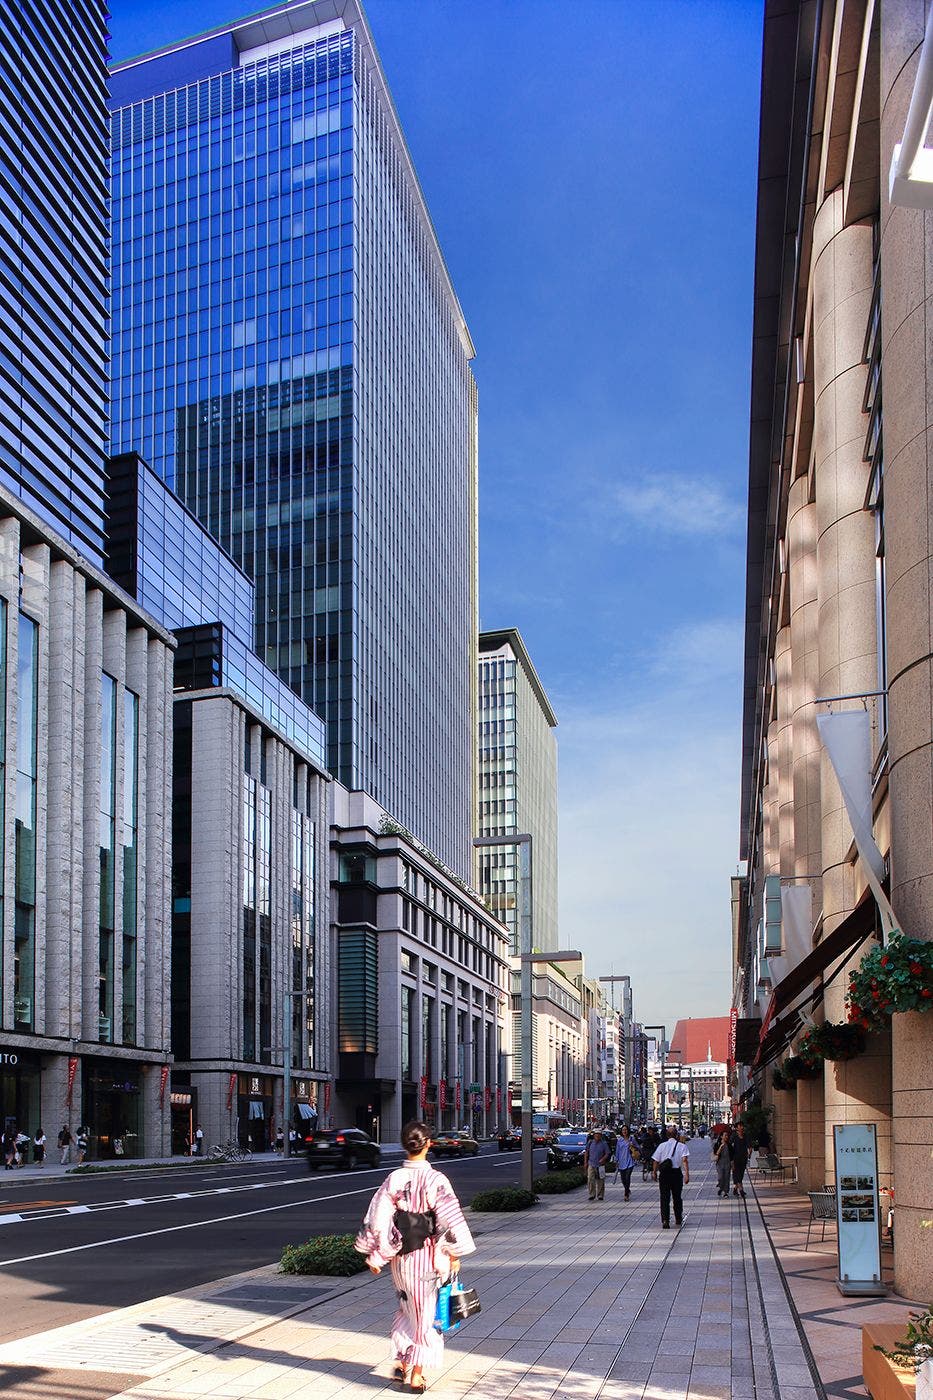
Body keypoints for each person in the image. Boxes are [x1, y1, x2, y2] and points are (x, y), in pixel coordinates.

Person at [356, 1120, 475, 1394]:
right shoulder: (436, 1180)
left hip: (400, 1257)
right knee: (425, 1316)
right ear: (428, 1144)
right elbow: (448, 1220)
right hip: (426, 1255)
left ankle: (401, 1359)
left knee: (406, 1309)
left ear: (404, 1144)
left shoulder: (395, 1179)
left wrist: (377, 1253)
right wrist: (453, 1251)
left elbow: (379, 1216)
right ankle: (416, 1374)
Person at [652, 1123, 690, 1229]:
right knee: (677, 1197)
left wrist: (654, 1172)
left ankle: (665, 1220)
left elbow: (655, 1160)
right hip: (676, 1174)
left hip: (664, 1174)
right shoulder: (682, 1146)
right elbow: (685, 1161)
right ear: (676, 1135)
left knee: (664, 1197)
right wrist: (687, 1174)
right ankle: (678, 1218)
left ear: (667, 1135)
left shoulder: (661, 1146)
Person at [585, 1128, 610, 1201]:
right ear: (594, 1135)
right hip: (591, 1163)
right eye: (596, 1134)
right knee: (590, 1179)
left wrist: (603, 1159)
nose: (597, 1136)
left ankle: (600, 1195)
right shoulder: (590, 1142)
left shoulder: (604, 1143)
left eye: (599, 1135)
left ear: (601, 1135)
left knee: (600, 1180)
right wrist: (585, 1162)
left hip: (600, 1165)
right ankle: (592, 1194)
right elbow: (586, 1152)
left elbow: (607, 1153)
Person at [614, 1125, 638, 1200]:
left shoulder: (632, 1139)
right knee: (623, 1179)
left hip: (630, 1161)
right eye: (623, 1130)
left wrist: (633, 1146)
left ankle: (626, 1194)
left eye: (626, 1130)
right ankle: (627, 1189)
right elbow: (617, 1151)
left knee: (627, 1177)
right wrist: (616, 1160)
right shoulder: (619, 1140)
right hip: (621, 1161)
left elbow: (638, 1147)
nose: (624, 1131)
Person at [728, 1122, 750, 1198]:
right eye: (740, 1126)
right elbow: (730, 1147)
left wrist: (749, 1153)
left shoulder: (745, 1135)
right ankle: (741, 1190)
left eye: (742, 1126)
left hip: (743, 1158)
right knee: (736, 1174)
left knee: (741, 1174)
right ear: (736, 1128)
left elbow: (748, 1145)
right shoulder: (733, 1136)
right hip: (735, 1158)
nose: (742, 1127)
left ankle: (735, 1188)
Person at [713, 1128, 732, 1197]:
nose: (726, 1137)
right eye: (725, 1135)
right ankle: (721, 1187)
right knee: (720, 1177)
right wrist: (721, 1147)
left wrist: (732, 1165)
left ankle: (726, 1192)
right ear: (721, 1136)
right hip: (720, 1163)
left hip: (727, 1163)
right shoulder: (717, 1144)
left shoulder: (729, 1145)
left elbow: (732, 1156)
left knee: (727, 1177)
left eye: (727, 1135)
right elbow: (716, 1154)